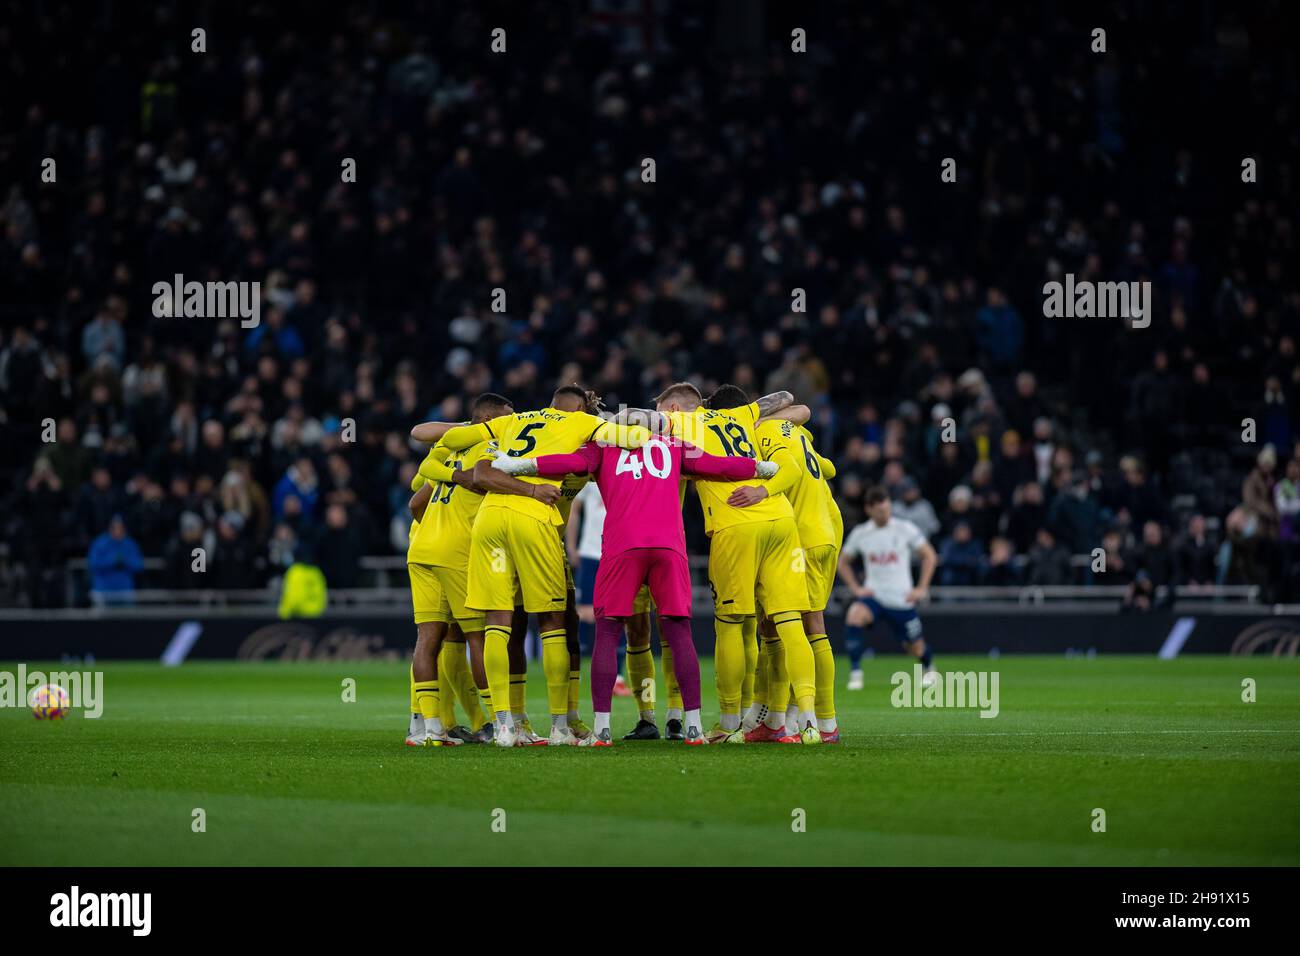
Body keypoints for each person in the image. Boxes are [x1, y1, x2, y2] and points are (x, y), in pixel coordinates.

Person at [495, 422, 773, 745]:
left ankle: (601, 730)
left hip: (622, 545)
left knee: (608, 630)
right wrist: (761, 468)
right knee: (678, 632)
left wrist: (521, 465)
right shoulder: (675, 445)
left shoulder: (602, 446)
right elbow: (718, 465)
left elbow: (570, 462)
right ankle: (693, 726)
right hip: (669, 547)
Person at [438, 385, 652, 747]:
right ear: (583, 409)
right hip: (536, 523)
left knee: (499, 622)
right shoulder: (583, 426)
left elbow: (465, 453)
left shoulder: (516, 421)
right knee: (554, 622)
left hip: (490, 522)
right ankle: (559, 726)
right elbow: (637, 437)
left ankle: (505, 725)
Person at [837, 486, 939, 691]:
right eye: (880, 511)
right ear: (869, 510)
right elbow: (843, 562)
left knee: (914, 646)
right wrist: (856, 589)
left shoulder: (904, 528)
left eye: (887, 509)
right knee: (854, 615)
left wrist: (921, 588)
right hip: (874, 595)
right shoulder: (861, 533)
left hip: (901, 599)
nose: (885, 514)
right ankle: (856, 672)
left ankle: (929, 668)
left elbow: (929, 555)